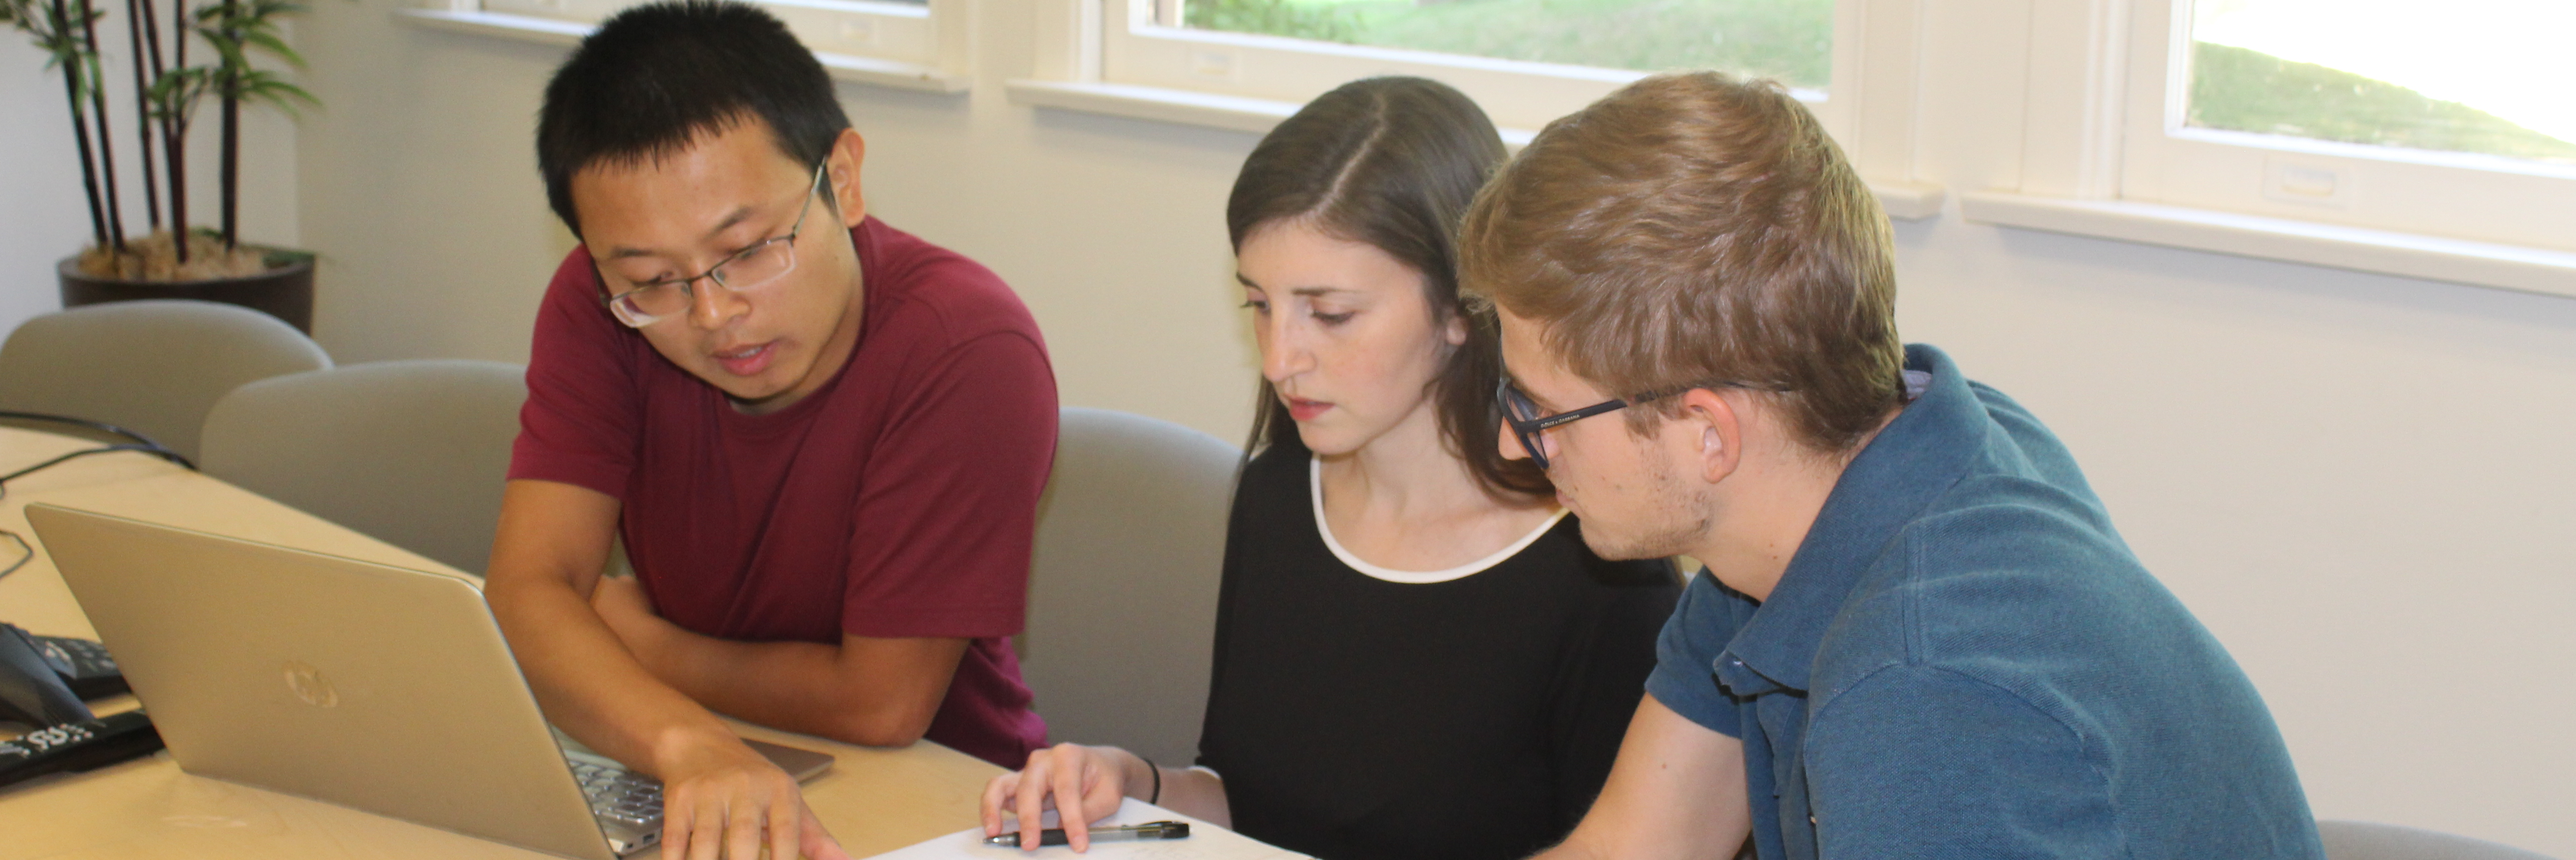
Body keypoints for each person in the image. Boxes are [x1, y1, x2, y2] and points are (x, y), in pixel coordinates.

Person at [1461, 72, 2325, 860]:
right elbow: (1640, 846)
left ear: (1708, 436)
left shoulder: (1926, 702)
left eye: (1543, 411)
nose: (1513, 444)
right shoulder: (1870, 465)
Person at [978, 77, 1681, 860]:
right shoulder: (1280, 492)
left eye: (1332, 314)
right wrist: (1130, 781)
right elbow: (1246, 798)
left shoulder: (1600, 565)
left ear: (1460, 307)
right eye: (1260, 305)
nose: (1281, 360)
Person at [484, 2, 1056, 858]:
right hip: (697, 754)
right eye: (652, 279)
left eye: (749, 251)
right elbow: (529, 590)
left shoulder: (965, 349)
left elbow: (880, 704)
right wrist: (693, 745)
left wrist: (642, 641)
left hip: (945, 806)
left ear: (846, 179)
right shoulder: (603, 307)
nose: (716, 315)